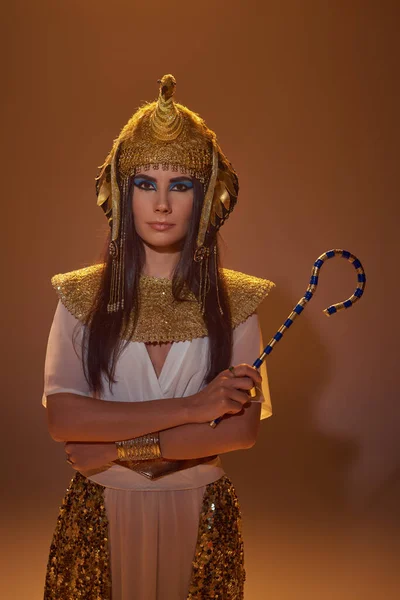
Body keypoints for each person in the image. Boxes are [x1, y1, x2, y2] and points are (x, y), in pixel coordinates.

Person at [42, 74, 275, 600]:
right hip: (100, 511)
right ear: (122, 193)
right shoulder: (80, 296)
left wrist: (115, 447)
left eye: (181, 185)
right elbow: (64, 419)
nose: (162, 204)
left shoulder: (236, 301)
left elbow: (237, 434)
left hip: (199, 512)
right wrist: (194, 408)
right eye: (146, 184)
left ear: (206, 194)